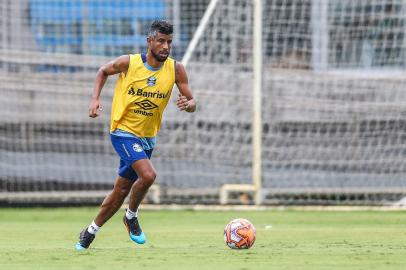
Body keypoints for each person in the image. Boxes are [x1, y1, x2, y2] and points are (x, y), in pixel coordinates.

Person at [75, 20, 196, 250]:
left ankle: (90, 232)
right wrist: (95, 99)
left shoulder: (176, 69)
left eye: (169, 42)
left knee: (121, 190)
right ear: (149, 41)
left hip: (148, 137)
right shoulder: (129, 63)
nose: (165, 46)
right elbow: (102, 71)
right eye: (161, 41)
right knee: (148, 176)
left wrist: (188, 104)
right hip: (123, 132)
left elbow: (192, 101)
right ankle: (131, 216)